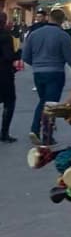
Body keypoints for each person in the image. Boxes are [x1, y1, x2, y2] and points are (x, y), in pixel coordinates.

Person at [21, 8, 71, 140]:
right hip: (55, 73)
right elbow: (70, 57)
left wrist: (37, 65)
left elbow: (25, 56)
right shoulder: (63, 36)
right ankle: (46, 135)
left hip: (38, 73)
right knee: (52, 105)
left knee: (43, 101)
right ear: (62, 21)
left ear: (49, 18)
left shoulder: (34, 34)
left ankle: (36, 129)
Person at [0, 12, 19, 142]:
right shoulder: (6, 36)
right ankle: (4, 133)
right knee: (9, 102)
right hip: (4, 73)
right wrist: (17, 54)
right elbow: (8, 56)